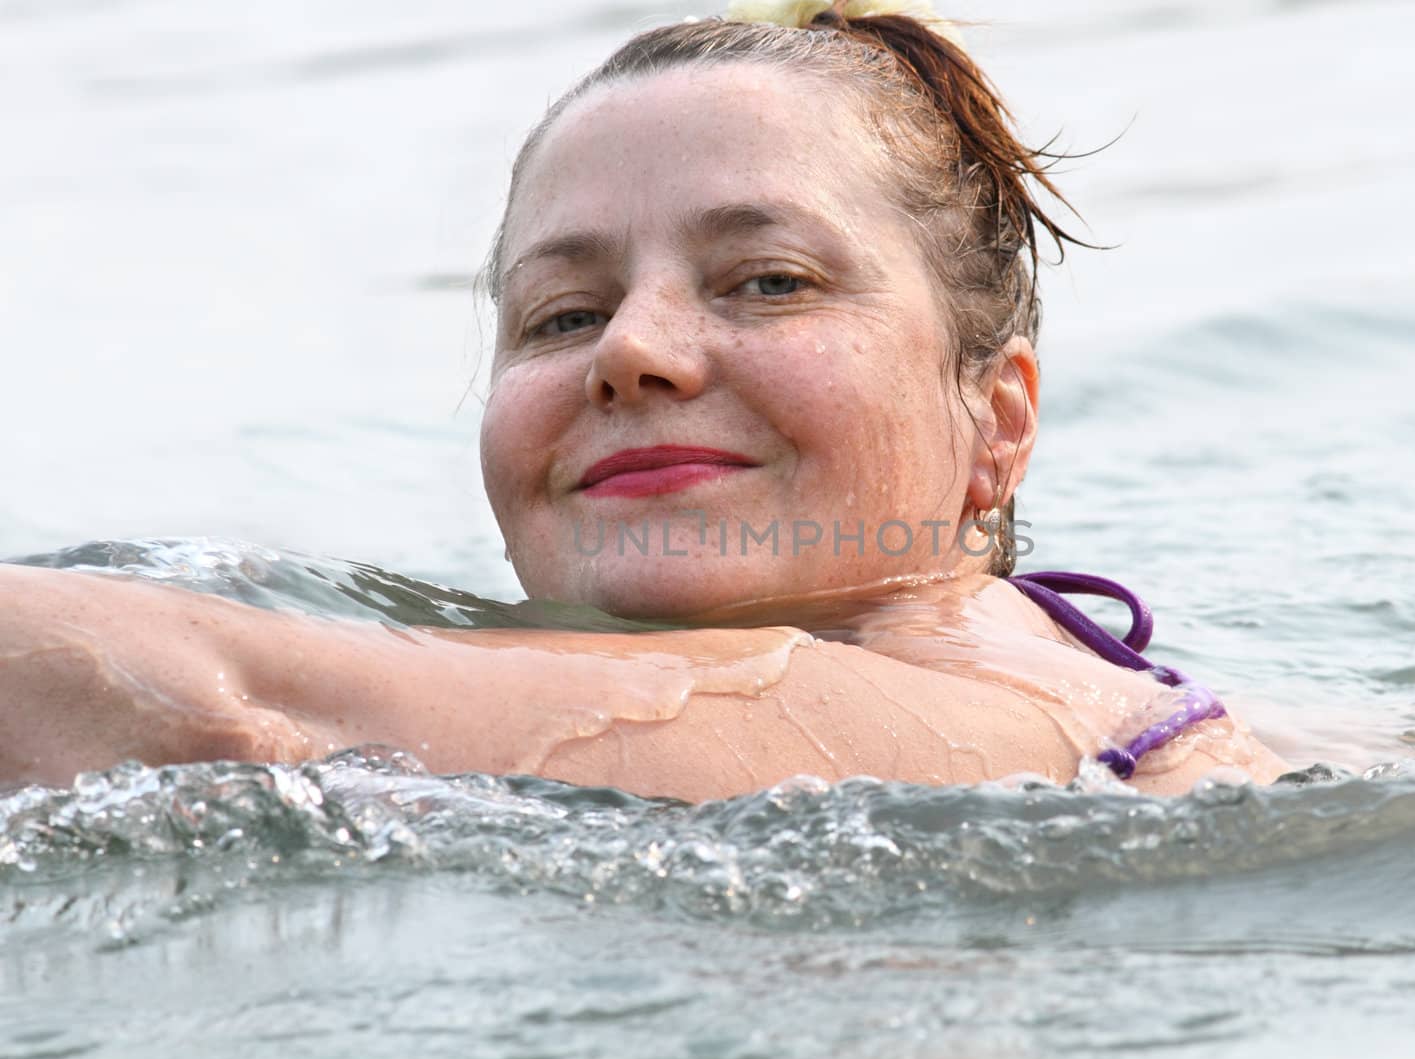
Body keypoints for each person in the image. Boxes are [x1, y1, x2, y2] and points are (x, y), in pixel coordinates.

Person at [0, 1, 1287, 801]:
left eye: (768, 281)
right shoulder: (1139, 717)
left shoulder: (926, 713)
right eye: (560, 314)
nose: (634, 349)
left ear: (997, 419)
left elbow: (204, 703)